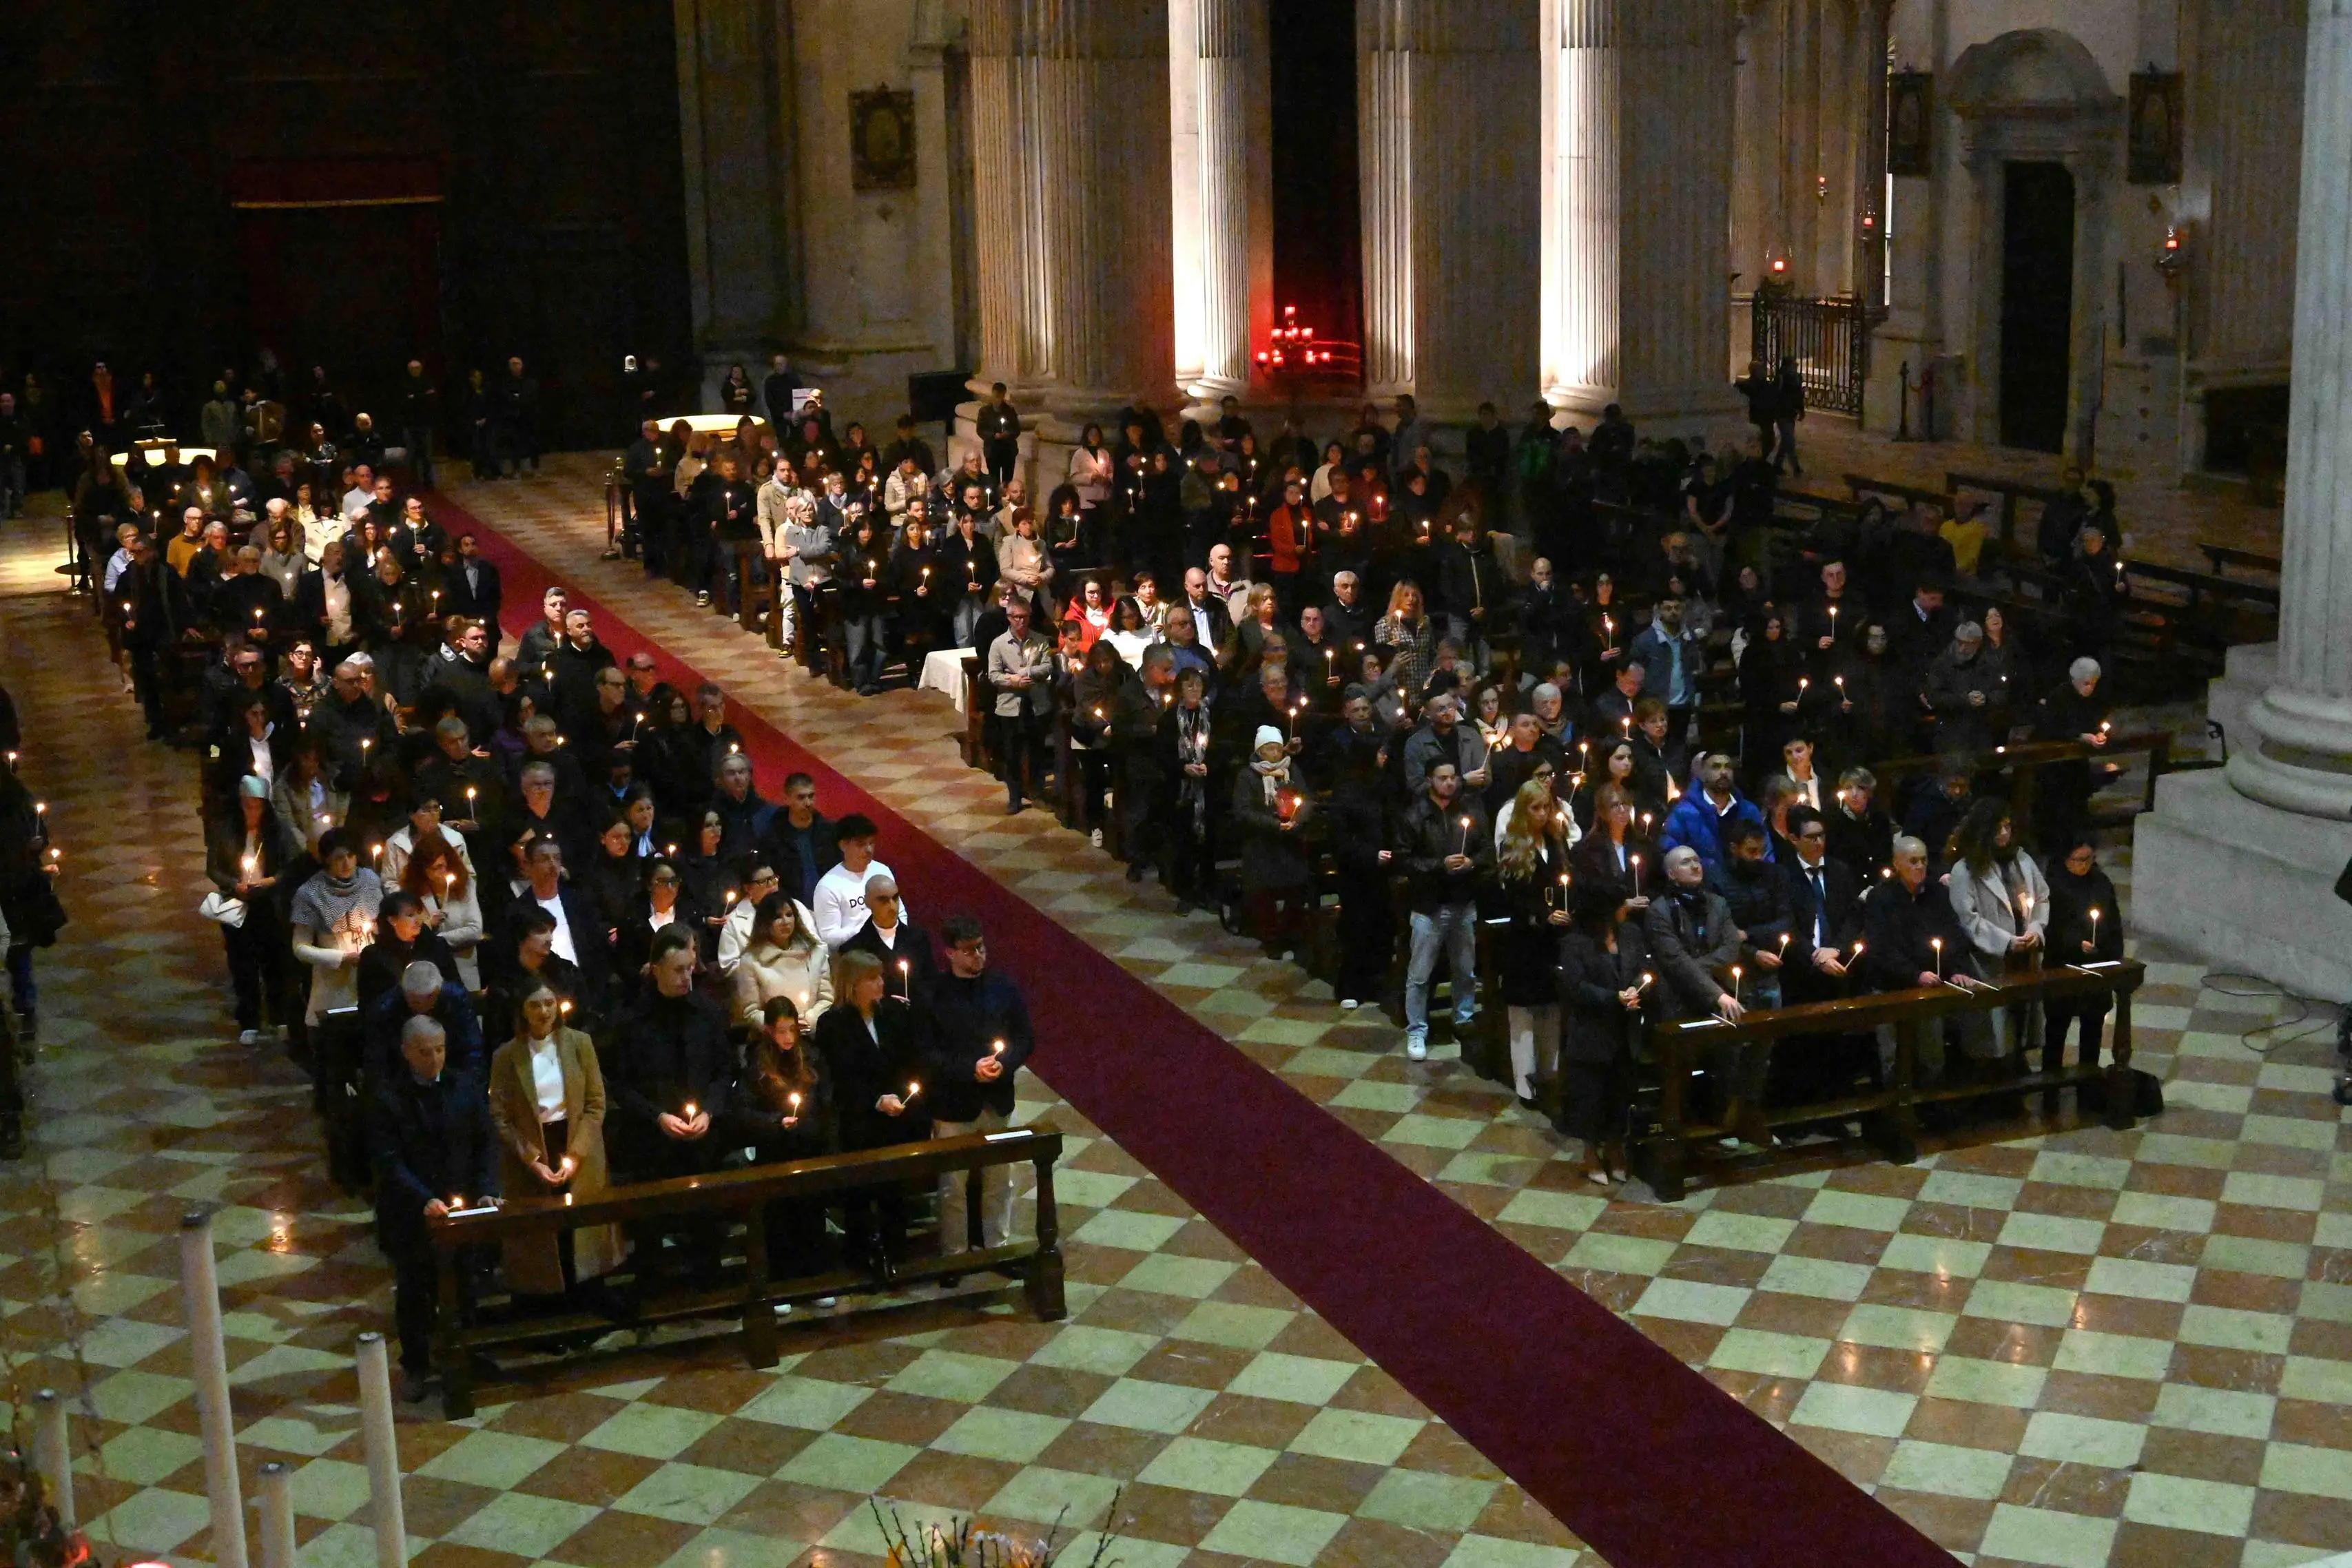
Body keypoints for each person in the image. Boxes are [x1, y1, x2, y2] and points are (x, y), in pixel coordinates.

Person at [368, 1015, 498, 1401]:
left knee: (467, 1283)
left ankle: (464, 1353)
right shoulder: (389, 1097)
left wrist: (488, 1189)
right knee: (414, 1290)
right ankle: (417, 1364)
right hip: (412, 1214)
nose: (435, 1059)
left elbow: (485, 1142)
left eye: (440, 1049)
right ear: (407, 1053)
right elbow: (388, 1161)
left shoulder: (464, 1087)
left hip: (461, 1209)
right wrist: (423, 1198)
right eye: (425, 1052)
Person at [485, 978, 621, 1303]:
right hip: (534, 1149)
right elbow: (500, 1116)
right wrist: (531, 1158)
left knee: (583, 1228)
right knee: (545, 1237)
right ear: (522, 1011)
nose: (544, 1011)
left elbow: (595, 1103)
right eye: (534, 1005)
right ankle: (550, 1306)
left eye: (548, 1003)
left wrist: (575, 1154)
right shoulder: (506, 1056)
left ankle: (588, 1299)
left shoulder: (579, 1043)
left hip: (577, 1143)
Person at [920, 916, 1035, 1256]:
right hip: (954, 1103)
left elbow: (1024, 1037)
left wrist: (1005, 1064)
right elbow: (928, 1051)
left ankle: (994, 1246)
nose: (978, 956)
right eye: (969, 951)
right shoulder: (934, 995)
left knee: (999, 1179)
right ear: (949, 953)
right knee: (953, 1184)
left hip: (996, 1099)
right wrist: (970, 1069)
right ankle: (954, 1254)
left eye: (981, 948)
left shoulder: (1003, 988)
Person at [812, 949, 929, 1277]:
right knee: (860, 1195)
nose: (881, 983)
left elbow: (908, 1061)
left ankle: (896, 1254)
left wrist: (903, 1097)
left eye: (880, 976)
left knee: (894, 1193)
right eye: (872, 978)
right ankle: (860, 1257)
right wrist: (874, 1100)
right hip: (860, 1122)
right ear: (852, 984)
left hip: (896, 1119)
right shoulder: (833, 1024)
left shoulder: (892, 1012)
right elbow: (838, 1077)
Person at [1647, 845, 1768, 1146]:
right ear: (1672, 874)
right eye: (1686, 862)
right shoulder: (1658, 911)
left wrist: (1701, 973)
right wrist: (1715, 993)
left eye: (1697, 860)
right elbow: (1673, 960)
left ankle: (1726, 1119)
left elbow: (1730, 948)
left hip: (1716, 990)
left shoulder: (1717, 903)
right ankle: (1678, 1128)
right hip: (1678, 997)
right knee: (1681, 1064)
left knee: (1732, 1053)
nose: (1695, 866)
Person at [729, 997, 835, 1270]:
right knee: (779, 1218)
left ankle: (814, 1275)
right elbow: (743, 1111)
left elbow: (826, 1102)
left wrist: (811, 1126)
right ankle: (781, 1277)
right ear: (768, 1031)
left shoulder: (812, 1057)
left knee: (811, 1214)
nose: (788, 1038)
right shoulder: (757, 1066)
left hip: (809, 1149)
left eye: (792, 1030)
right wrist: (777, 1122)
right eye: (781, 1031)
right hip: (774, 1152)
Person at [1945, 798, 2050, 1066]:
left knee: (2022, 1019)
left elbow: (2041, 898)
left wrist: (2035, 930)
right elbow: (1967, 919)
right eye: (1997, 828)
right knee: (1994, 1033)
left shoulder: (2022, 859)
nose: (2004, 834)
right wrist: (2006, 942)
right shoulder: (1965, 869)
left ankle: (2017, 1068)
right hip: (1989, 960)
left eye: (2007, 827)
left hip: (2025, 955)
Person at [1397, 761, 1491, 1062]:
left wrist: (1471, 863)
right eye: (1443, 778)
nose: (1450, 783)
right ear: (1429, 780)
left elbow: (1488, 849)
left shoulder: (1469, 810)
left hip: (1463, 902)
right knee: (1420, 973)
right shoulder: (1415, 815)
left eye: (1453, 778)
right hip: (1429, 904)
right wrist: (1441, 865)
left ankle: (1462, 1019)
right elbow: (1403, 860)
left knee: (1465, 969)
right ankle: (1416, 1029)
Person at [1557, 886, 1644, 1183]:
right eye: (1620, 905)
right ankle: (1591, 1153)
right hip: (1592, 1031)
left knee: (1621, 1093)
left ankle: (1616, 1149)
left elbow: (1643, 968)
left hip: (1625, 1029)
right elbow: (1575, 986)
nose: (1626, 909)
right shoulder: (1575, 943)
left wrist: (1637, 989)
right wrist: (1613, 997)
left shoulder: (1630, 934)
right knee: (1591, 1096)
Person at [1494, 780, 1572, 1107]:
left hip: (1552, 942)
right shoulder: (1512, 846)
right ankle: (1526, 1087)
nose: (1543, 814)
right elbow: (1515, 899)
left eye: (1547, 807)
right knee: (1524, 1017)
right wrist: (1543, 916)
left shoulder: (1555, 843)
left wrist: (1564, 912)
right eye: (1536, 808)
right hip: (1525, 942)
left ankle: (1550, 1078)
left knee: (1551, 1011)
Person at [205, 775, 298, 1046]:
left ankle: (278, 1014)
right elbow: (213, 868)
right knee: (242, 963)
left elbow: (292, 865)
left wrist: (271, 881)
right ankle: (249, 1019)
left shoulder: (279, 830)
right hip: (238, 903)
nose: (252, 812)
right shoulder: (224, 830)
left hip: (270, 904)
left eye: (257, 806)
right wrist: (234, 884)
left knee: (274, 961)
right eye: (247, 805)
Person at [1230, 726, 1316, 960]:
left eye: (1278, 749)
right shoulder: (1247, 776)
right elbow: (1243, 811)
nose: (1275, 754)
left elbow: (1306, 799)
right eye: (1269, 749)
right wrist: (1273, 824)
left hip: (1290, 841)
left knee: (1296, 889)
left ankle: (1293, 933)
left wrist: (1297, 819)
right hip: (1262, 842)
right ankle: (1271, 938)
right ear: (1259, 751)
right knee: (1263, 893)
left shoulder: (1292, 770)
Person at [2043, 835, 2123, 1083]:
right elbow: (2052, 926)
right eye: (2078, 860)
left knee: (2092, 1028)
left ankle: (2088, 1085)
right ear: (2066, 859)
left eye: (2088, 859)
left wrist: (2104, 948)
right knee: (2057, 1030)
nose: (2084, 864)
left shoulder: (2101, 882)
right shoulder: (2054, 885)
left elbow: (2113, 923)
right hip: (2063, 967)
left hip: (2095, 967)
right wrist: (2076, 942)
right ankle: (2051, 1086)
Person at [289, 829, 383, 1025]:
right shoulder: (310, 893)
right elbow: (299, 948)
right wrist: (341, 958)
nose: (346, 863)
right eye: (339, 858)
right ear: (326, 860)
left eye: (350, 856)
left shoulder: (370, 880)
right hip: (334, 983)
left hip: (372, 977)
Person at [987, 596, 1056, 814]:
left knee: (1037, 750)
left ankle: (1037, 791)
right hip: (1010, 704)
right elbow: (992, 675)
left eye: (1025, 617)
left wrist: (1028, 673)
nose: (1021, 622)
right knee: (1012, 754)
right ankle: (1015, 796)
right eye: (1016, 617)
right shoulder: (998, 643)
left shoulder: (1040, 640)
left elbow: (1048, 666)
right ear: (1009, 618)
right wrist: (1012, 681)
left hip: (1037, 703)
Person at [731, 890, 832, 1027]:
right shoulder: (750, 960)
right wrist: (783, 1026)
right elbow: (751, 1011)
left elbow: (826, 998)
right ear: (765, 922)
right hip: (773, 1037)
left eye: (789, 915)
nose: (785, 922)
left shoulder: (815, 952)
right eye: (777, 917)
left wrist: (810, 1019)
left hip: (812, 1032)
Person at [812, 814, 900, 948]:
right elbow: (829, 937)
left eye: (871, 843)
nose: (869, 850)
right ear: (843, 846)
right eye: (861, 844)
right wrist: (870, 930)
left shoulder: (882, 870)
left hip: (890, 942)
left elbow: (902, 913)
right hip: (856, 953)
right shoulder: (828, 886)